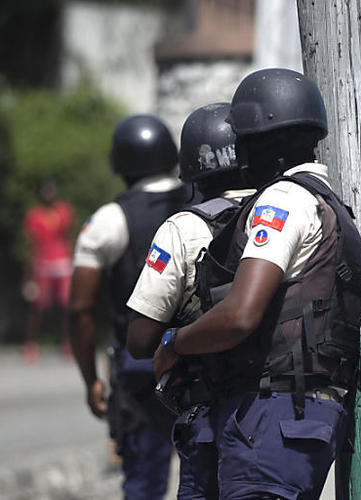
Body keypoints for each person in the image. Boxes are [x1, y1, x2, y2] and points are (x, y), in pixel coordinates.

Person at [151, 68, 361, 499]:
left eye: (245, 140)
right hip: (312, 413)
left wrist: (175, 343)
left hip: (273, 414)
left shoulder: (282, 200)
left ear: (263, 140)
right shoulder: (333, 205)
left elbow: (240, 314)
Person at [125, 102, 256, 499]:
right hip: (275, 409)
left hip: (209, 408)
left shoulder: (183, 228)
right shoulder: (276, 211)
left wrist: (174, 338)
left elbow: (140, 340)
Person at [69, 114, 187, 499]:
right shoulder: (201, 200)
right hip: (205, 364)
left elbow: (80, 310)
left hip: (141, 374)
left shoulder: (109, 220)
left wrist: (91, 381)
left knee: (143, 486)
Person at [22, 180, 75, 364]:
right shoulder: (34, 215)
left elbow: (69, 235)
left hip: (62, 262)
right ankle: (31, 344)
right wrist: (28, 273)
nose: (49, 195)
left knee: (66, 305)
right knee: (37, 306)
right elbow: (30, 243)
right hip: (42, 263)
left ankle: (67, 343)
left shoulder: (64, 211)